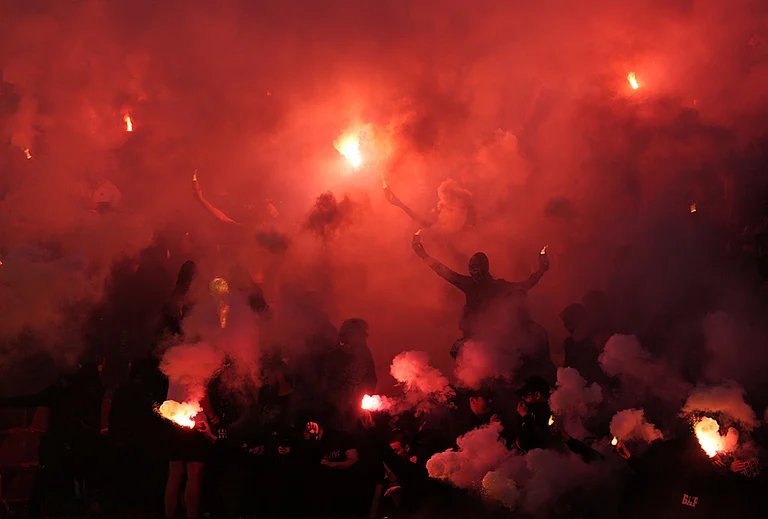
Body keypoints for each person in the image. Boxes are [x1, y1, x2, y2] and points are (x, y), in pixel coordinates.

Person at [412, 232, 549, 358]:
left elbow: (525, 285)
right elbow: (443, 271)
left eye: (476, 270)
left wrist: (541, 270)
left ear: (484, 269)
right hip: (473, 339)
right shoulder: (469, 284)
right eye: (471, 270)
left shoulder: (498, 286)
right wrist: (423, 255)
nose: (474, 273)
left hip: (496, 338)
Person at [324, 318, 377, 429]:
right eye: (361, 334)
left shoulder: (365, 354)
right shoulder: (334, 356)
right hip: (339, 412)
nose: (364, 338)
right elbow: (328, 386)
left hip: (358, 411)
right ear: (349, 335)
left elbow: (372, 379)